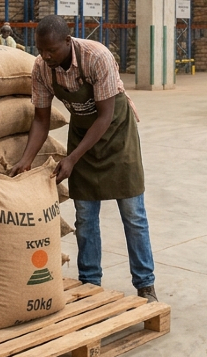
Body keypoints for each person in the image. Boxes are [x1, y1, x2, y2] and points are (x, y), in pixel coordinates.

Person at [10, 15, 157, 303]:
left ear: (68, 41)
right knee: (85, 217)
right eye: (41, 50)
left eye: (51, 50)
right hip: (82, 133)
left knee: (133, 214)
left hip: (115, 134)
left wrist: (72, 158)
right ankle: (90, 284)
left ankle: (145, 284)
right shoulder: (41, 67)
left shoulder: (96, 57)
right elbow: (41, 119)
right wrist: (26, 159)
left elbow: (104, 117)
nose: (46, 56)